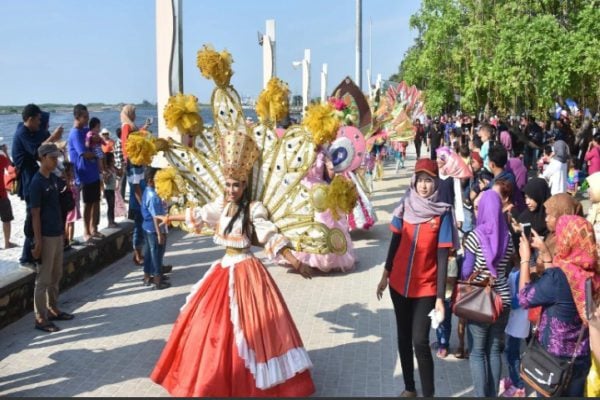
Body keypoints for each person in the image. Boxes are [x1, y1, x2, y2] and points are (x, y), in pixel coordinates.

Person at [150, 131, 315, 397]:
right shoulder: (222, 206)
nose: (231, 190)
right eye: (228, 185)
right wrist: (170, 218)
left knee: (254, 330)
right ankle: (216, 379)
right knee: (208, 325)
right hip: (224, 269)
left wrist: (295, 262)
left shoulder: (253, 210)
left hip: (248, 273)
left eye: (236, 185)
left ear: (244, 185)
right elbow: (202, 215)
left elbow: (269, 236)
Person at [376, 158, 457, 397]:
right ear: (414, 181)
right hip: (398, 284)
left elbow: (443, 257)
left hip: (426, 288)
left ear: (436, 183)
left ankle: (429, 393)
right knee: (403, 335)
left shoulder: (442, 212)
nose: (423, 186)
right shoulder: (405, 204)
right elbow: (395, 242)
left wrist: (441, 298)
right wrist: (385, 273)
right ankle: (410, 388)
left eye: (429, 181)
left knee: (420, 340)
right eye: (420, 180)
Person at [518, 215, 599, 397]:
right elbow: (561, 297)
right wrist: (547, 256)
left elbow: (524, 298)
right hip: (579, 359)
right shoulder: (593, 274)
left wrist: (525, 259)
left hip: (552, 363)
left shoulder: (559, 277)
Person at [461, 190, 513, 398]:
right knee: (493, 351)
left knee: (477, 352)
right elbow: (507, 267)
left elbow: (466, 270)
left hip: (481, 300)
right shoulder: (507, 236)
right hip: (503, 300)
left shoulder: (475, 236)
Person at [30, 143, 75, 333]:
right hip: (46, 235)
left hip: (57, 232)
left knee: (56, 274)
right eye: (53, 158)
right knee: (44, 278)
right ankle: (40, 317)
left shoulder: (53, 180)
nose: (55, 160)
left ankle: (53, 308)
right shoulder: (37, 182)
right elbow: (35, 213)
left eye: (56, 157)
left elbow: (64, 203)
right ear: (43, 158)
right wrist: (38, 240)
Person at [12, 105, 63, 266]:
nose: (40, 123)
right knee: (32, 215)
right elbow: (38, 151)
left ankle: (38, 253)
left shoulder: (31, 131)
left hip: (35, 175)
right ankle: (26, 257)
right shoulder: (22, 133)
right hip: (28, 178)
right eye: (39, 120)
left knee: (41, 213)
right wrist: (53, 137)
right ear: (31, 119)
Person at [67, 104, 103, 243]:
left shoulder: (86, 130)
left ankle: (94, 228)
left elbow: (96, 137)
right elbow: (85, 153)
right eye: (85, 117)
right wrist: (97, 156)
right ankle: (86, 231)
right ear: (77, 117)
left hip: (93, 171)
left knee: (96, 201)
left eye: (88, 116)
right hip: (84, 173)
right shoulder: (75, 133)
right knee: (88, 203)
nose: (87, 119)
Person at [140, 167, 170, 290]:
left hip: (147, 227)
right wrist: (160, 234)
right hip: (154, 229)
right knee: (156, 253)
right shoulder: (153, 196)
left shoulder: (147, 191)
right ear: (151, 181)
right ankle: (158, 279)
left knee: (148, 253)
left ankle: (147, 276)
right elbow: (156, 217)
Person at [0, 143, 16, 249]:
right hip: (2, 194)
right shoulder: (1, 158)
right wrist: (5, 152)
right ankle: (7, 243)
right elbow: (11, 167)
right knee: (6, 219)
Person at [63, 162, 81, 247]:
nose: (73, 173)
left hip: (68, 206)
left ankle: (67, 239)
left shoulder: (67, 183)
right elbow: (74, 194)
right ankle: (70, 239)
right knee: (71, 223)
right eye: (71, 171)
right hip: (71, 206)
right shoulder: (70, 184)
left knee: (67, 222)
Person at [103, 153, 119, 229]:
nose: (114, 160)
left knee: (112, 206)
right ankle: (110, 222)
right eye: (113, 159)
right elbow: (105, 181)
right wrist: (107, 176)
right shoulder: (106, 169)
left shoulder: (113, 168)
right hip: (107, 190)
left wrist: (122, 169)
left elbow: (120, 174)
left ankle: (112, 221)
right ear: (109, 161)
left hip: (112, 189)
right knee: (110, 206)